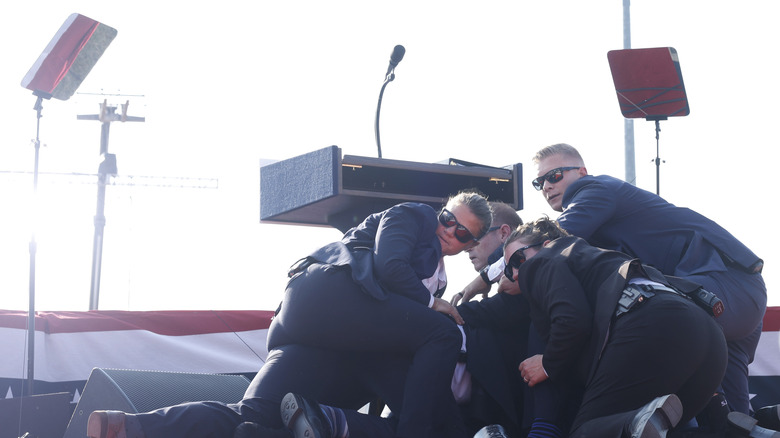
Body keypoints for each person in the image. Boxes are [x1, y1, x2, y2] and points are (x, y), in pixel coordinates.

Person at [87, 192, 493, 438]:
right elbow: (389, 267)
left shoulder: (438, 276)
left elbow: (391, 330)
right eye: (448, 219)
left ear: (470, 242)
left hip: (322, 335)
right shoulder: (415, 215)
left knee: (254, 419)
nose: (448, 231)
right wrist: (433, 305)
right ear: (439, 212)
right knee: (441, 333)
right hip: (333, 301)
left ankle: (135, 427)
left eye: (461, 233)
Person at [531, 143, 766, 420]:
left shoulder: (594, 190)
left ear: (582, 172)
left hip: (722, 285)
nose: (546, 185)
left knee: (649, 324)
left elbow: (548, 244)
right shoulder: (597, 215)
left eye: (554, 175)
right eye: (539, 182)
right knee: (733, 420)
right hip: (734, 294)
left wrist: (495, 268)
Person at [504, 217, 728, 437]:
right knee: (661, 431)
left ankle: (633, 424)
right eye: (507, 271)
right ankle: (741, 431)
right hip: (710, 336)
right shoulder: (599, 260)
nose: (515, 274)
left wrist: (547, 364)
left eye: (517, 260)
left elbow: (572, 321)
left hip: (653, 323)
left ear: (545, 244)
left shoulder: (545, 257)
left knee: (587, 431)